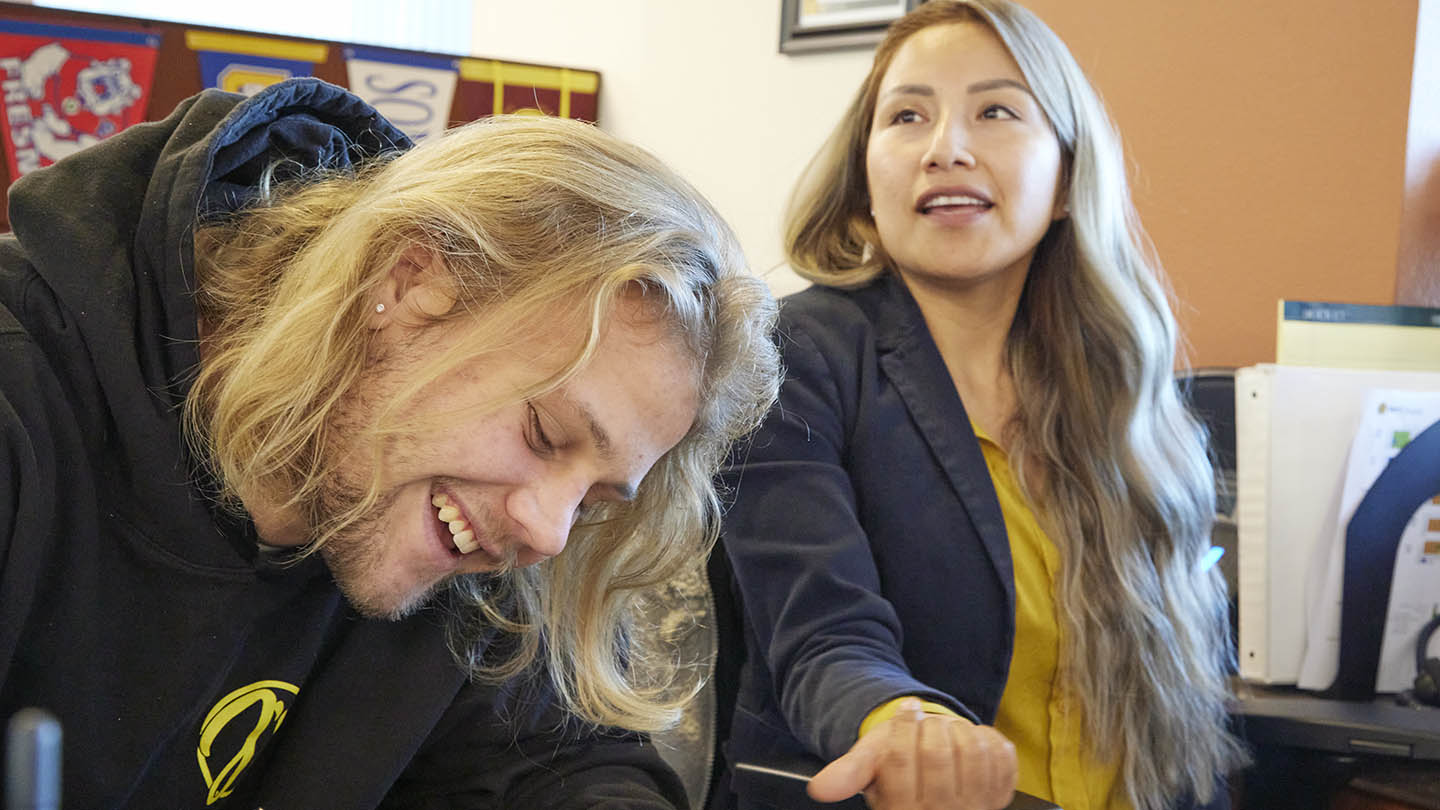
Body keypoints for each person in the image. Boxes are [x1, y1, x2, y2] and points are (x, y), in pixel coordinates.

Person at [0, 77, 780, 808]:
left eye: (595, 497)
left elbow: (563, 765)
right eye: (544, 433)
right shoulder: (24, 407)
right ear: (409, 285)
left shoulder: (458, 529)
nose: (547, 532)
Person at [718, 2, 1246, 809]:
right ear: (864, 181)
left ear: (1068, 178)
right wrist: (899, 718)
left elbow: (1177, 698)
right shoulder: (799, 358)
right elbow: (822, 633)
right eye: (907, 116)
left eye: (996, 111)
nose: (947, 149)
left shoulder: (1122, 388)